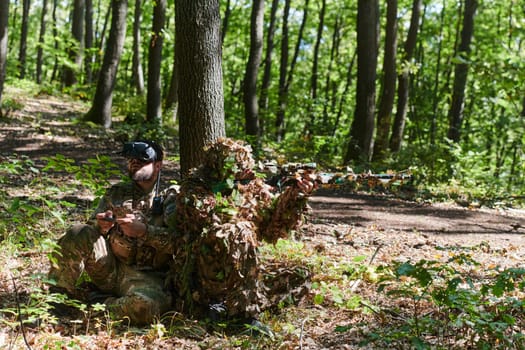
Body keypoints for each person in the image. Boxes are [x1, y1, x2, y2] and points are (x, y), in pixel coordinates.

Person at [166, 138, 316, 321]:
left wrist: (295, 196)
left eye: (244, 165)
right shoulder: (194, 189)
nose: (244, 170)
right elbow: (204, 221)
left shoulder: (250, 186)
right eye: (236, 165)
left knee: (300, 276)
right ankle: (243, 316)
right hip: (204, 276)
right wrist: (234, 190)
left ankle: (224, 309)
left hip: (242, 276)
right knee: (240, 230)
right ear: (217, 166)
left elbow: (273, 228)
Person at [47, 140, 177, 325]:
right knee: (78, 232)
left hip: (148, 279)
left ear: (158, 166)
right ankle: (56, 302)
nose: (134, 163)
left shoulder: (170, 198)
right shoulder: (117, 192)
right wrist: (101, 226)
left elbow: (181, 243)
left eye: (141, 160)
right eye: (131, 160)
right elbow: (89, 231)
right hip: (110, 268)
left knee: (144, 308)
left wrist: (144, 232)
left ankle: (96, 304)